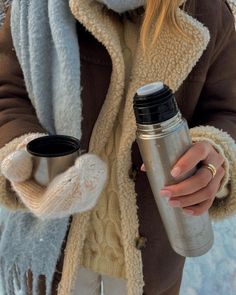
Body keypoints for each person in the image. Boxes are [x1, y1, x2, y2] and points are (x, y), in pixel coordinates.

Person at [0, 0, 236, 294]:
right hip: (55, 248)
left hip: (152, 256)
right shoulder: (32, 7)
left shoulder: (208, 11)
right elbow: (8, 95)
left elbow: (226, 112)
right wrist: (22, 156)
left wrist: (216, 156)